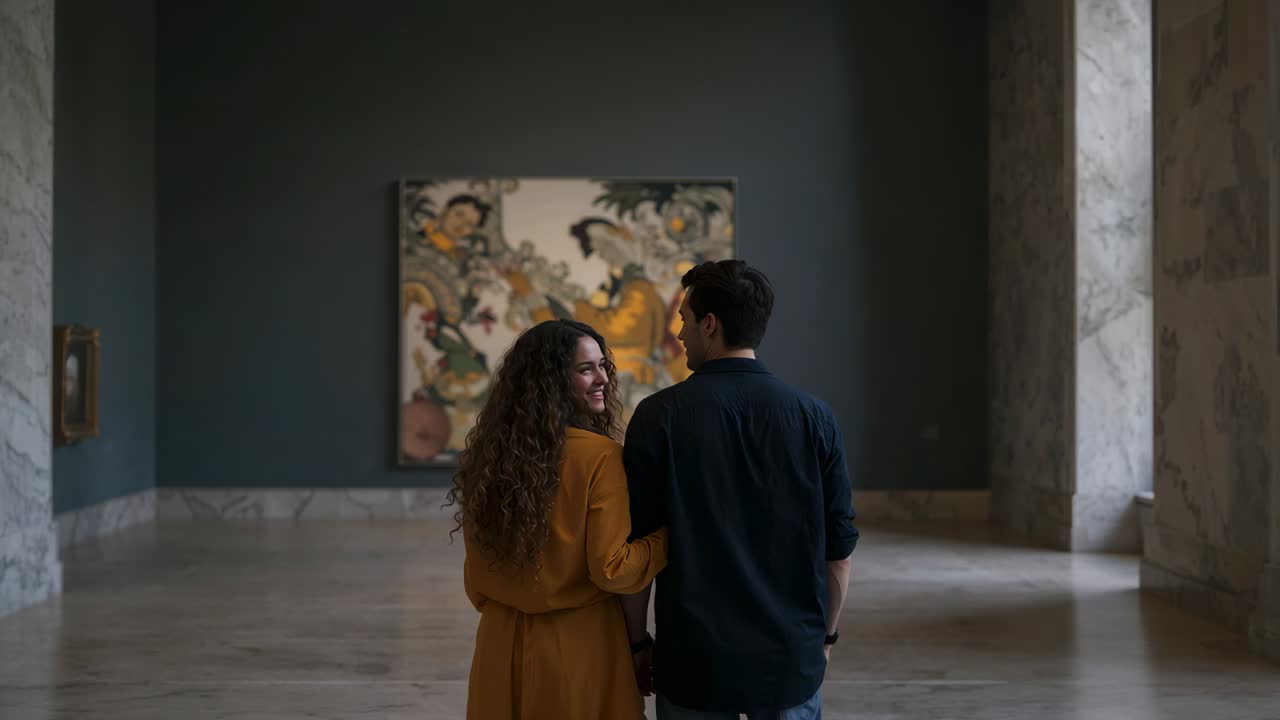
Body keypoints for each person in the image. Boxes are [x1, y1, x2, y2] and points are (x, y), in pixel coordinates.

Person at [622, 260, 859, 719]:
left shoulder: (658, 417)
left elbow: (638, 551)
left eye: (685, 320)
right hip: (790, 660)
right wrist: (825, 638)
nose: (680, 334)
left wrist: (636, 642)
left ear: (710, 324)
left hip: (695, 664)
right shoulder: (815, 417)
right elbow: (840, 551)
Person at [450, 319, 669, 720]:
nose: (603, 378)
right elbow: (613, 570)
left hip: (499, 646)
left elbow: (475, 579)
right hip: (579, 647)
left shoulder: (487, 457)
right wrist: (667, 539)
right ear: (550, 381)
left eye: (603, 366)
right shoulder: (600, 457)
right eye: (586, 369)